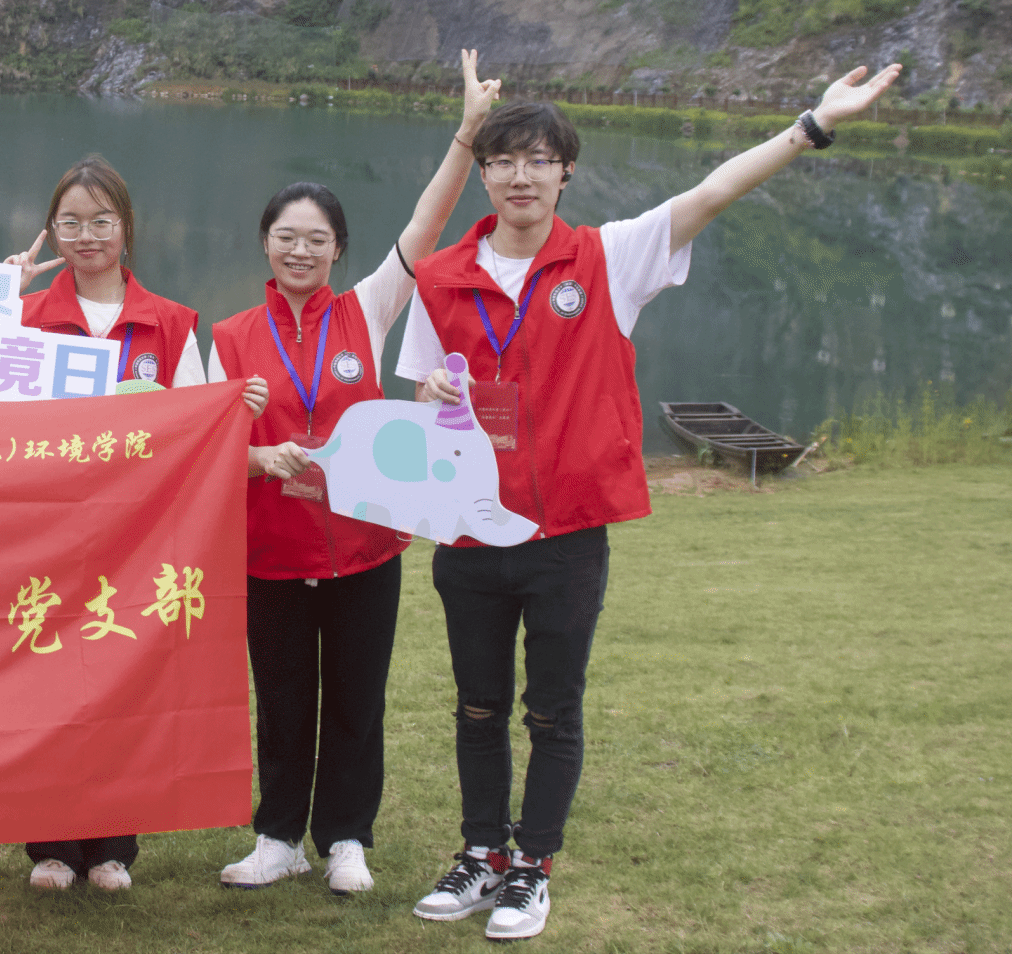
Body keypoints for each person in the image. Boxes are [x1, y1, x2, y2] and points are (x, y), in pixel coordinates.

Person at [396, 64, 902, 942]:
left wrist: (813, 125)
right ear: (483, 173)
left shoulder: (608, 258)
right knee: (477, 705)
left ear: (566, 173)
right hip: (470, 534)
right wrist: (434, 388)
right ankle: (481, 853)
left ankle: (532, 868)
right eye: (504, 160)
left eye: (539, 160)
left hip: (565, 536)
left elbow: (712, 192)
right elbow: (421, 397)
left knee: (552, 708)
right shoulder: (440, 277)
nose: (521, 176)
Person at [205, 51, 499, 898]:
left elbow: (426, 224)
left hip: (364, 549)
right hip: (271, 554)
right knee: (283, 700)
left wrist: (467, 134)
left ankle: (346, 839)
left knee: (357, 700)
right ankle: (277, 838)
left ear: (339, 248)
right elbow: (203, 450)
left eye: (317, 239)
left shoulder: (366, 311)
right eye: (286, 237)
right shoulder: (228, 338)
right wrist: (258, 456)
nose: (300, 250)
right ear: (265, 243)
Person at [0, 155, 205, 892]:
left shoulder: (171, 322)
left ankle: (114, 845)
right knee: (47, 683)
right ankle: (52, 845)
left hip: (135, 536)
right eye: (71, 223)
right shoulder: (26, 317)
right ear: (51, 231)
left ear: (126, 227)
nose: (87, 236)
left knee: (124, 683)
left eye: (101, 221)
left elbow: (197, 425)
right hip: (44, 532)